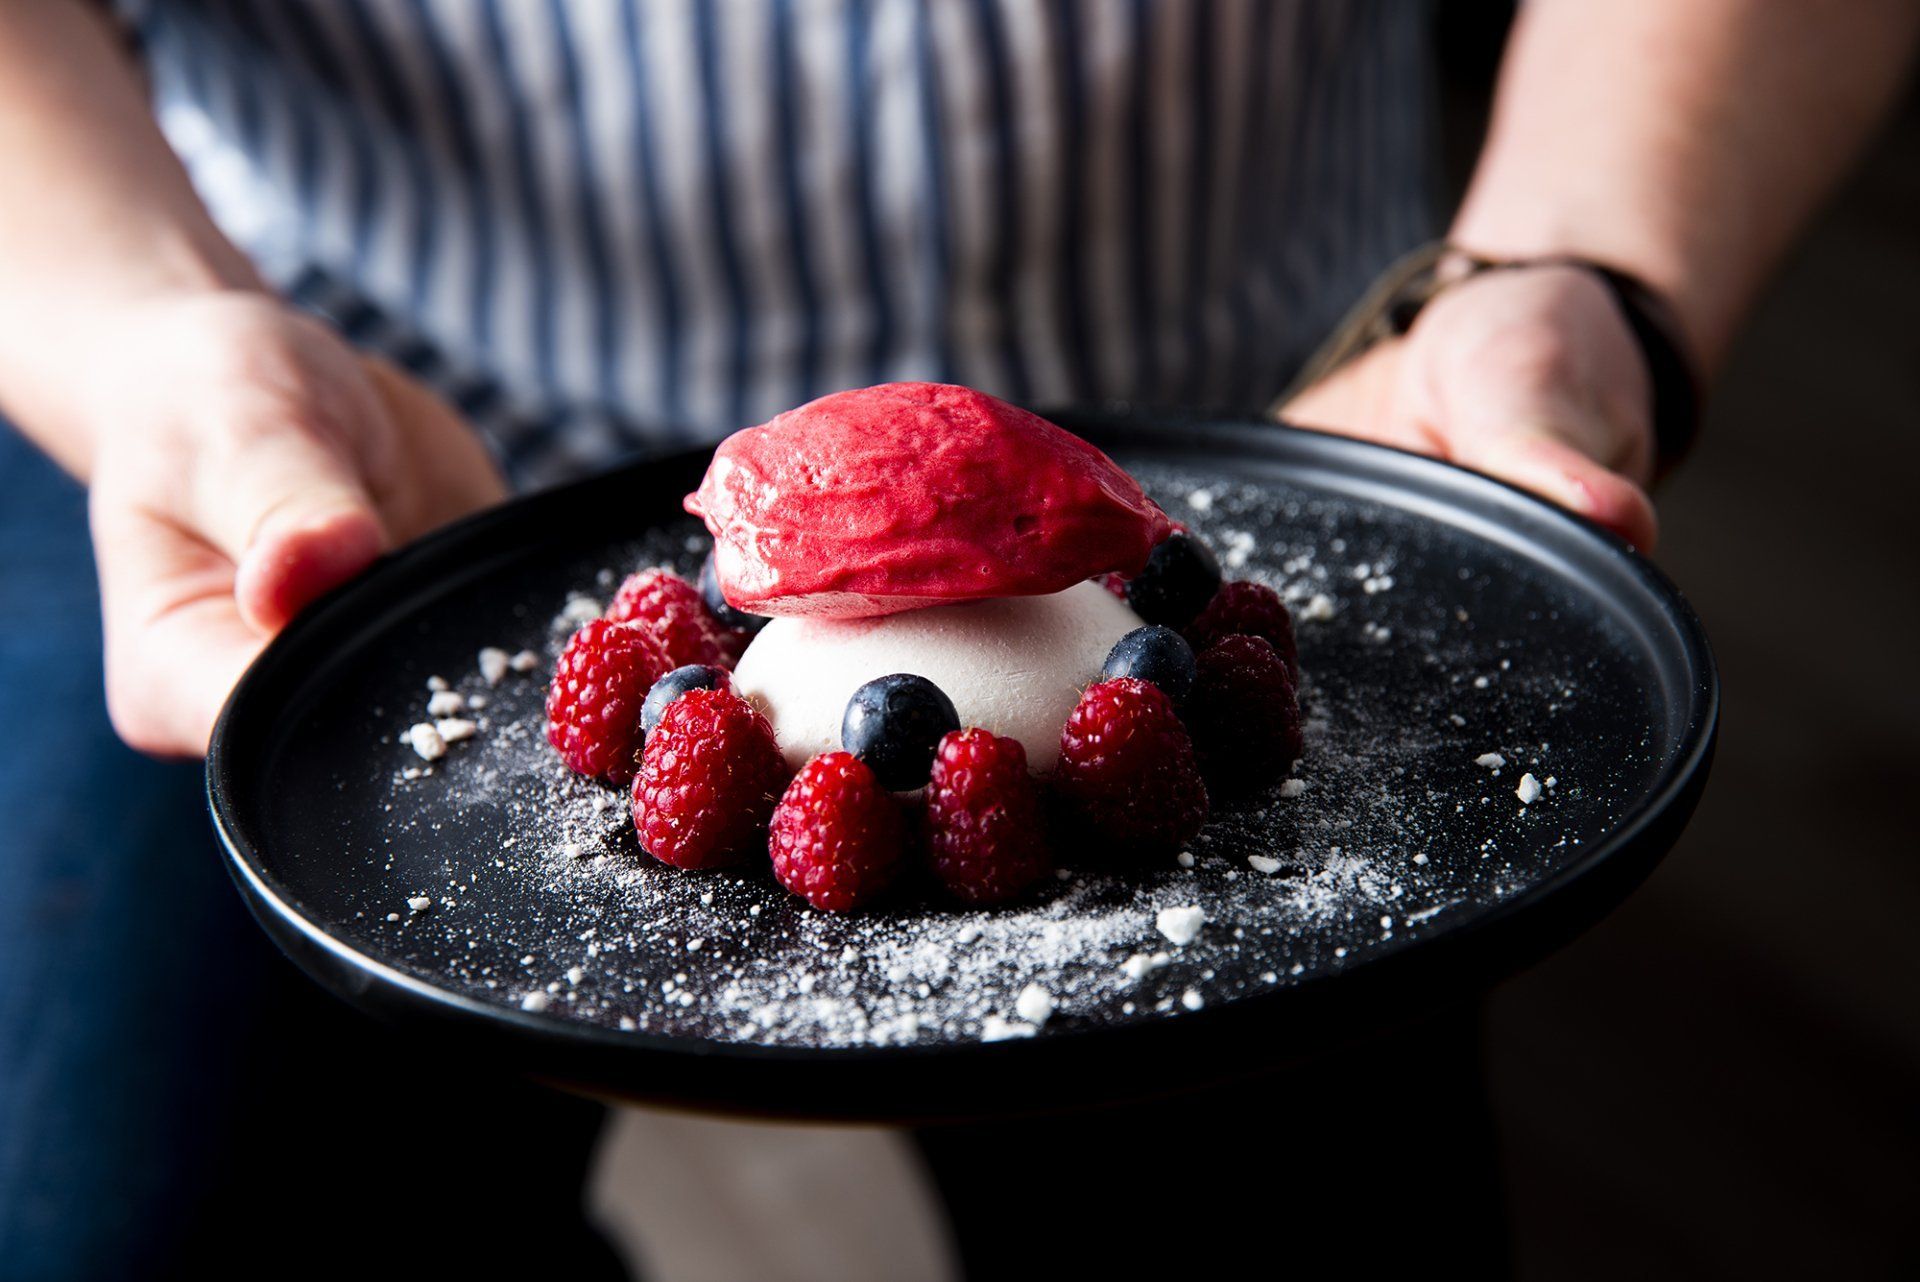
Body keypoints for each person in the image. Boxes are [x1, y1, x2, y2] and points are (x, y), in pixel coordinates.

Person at [1, 1, 1913, 1276]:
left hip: (1296, 439)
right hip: (383, 461)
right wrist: (147, 330)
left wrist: (1573, 261)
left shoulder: (1170, 641)